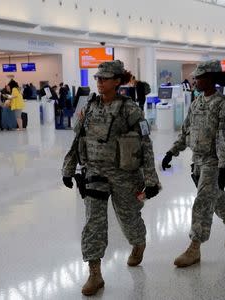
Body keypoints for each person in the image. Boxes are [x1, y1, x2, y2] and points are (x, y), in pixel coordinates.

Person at [62, 60, 160, 296]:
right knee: (93, 222)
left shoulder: (130, 109)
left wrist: (151, 179)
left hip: (124, 174)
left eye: (104, 78)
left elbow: (145, 144)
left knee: (128, 217)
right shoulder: (90, 107)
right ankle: (95, 273)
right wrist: (68, 167)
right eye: (98, 78)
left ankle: (138, 243)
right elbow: (78, 139)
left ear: (117, 81)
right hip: (94, 172)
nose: (99, 82)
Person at [161, 60, 225, 268]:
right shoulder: (196, 103)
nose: (195, 80)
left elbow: (224, 137)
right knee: (216, 198)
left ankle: (194, 247)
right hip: (197, 161)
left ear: (211, 79)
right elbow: (185, 133)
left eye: (199, 77)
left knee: (202, 201)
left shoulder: (224, 104)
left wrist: (223, 166)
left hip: (213, 162)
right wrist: (171, 152)